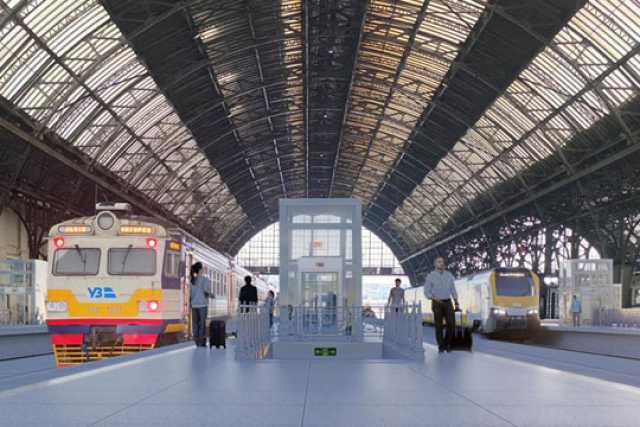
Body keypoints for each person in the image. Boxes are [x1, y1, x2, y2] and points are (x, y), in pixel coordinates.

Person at [424, 256, 459, 353]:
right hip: (436, 303)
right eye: (439, 262)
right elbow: (426, 291)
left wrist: (456, 302)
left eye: (442, 262)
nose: (441, 263)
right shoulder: (430, 276)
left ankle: (447, 343)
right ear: (435, 264)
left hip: (448, 302)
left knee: (451, 324)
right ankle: (441, 346)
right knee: (438, 325)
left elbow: (453, 289)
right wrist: (433, 298)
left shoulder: (449, 275)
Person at [190, 262, 213, 347]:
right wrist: (211, 295)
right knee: (202, 324)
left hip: (194, 305)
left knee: (195, 324)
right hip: (202, 305)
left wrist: (191, 303)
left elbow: (191, 294)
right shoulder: (205, 279)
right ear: (200, 269)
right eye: (202, 268)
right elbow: (206, 292)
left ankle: (196, 342)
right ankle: (201, 342)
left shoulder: (192, 280)